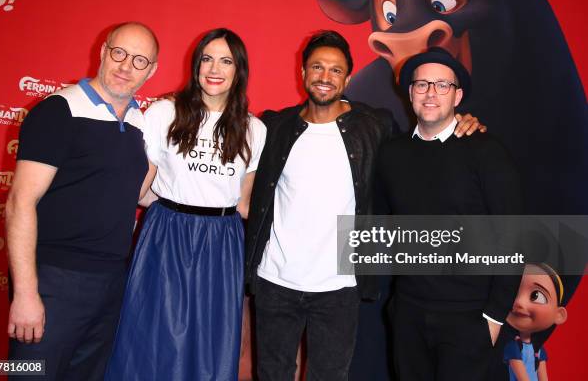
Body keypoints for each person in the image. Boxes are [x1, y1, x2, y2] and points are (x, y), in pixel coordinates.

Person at [245, 31, 483, 381]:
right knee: (272, 374)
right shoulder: (275, 127)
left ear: (348, 78)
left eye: (336, 70)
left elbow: (422, 147)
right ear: (303, 73)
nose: (325, 77)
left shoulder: (374, 126)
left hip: (339, 286)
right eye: (317, 67)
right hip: (275, 283)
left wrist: (460, 121)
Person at [104, 28, 266, 381]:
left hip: (221, 242)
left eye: (225, 61)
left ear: (239, 70)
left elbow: (244, 203)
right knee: (151, 335)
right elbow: (141, 183)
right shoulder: (164, 111)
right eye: (207, 59)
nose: (214, 68)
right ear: (195, 66)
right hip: (166, 233)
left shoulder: (254, 129)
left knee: (209, 343)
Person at [5, 22, 159, 380]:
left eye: (139, 61)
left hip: (111, 283)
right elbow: (20, 203)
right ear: (104, 52)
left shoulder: (141, 122)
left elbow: (138, 194)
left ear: (151, 71)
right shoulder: (59, 110)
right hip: (54, 280)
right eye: (119, 53)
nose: (125, 67)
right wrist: (27, 293)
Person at [376, 46, 524, 380]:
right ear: (410, 92)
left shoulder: (487, 152)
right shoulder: (391, 154)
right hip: (409, 314)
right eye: (422, 84)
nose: (431, 93)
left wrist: (494, 318)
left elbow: (513, 236)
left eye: (442, 85)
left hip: (469, 319)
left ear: (457, 96)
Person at [504, 263, 568, 381]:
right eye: (514, 293)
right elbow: (522, 377)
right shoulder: (513, 347)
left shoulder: (538, 349)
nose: (519, 303)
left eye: (536, 296)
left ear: (559, 315)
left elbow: (543, 377)